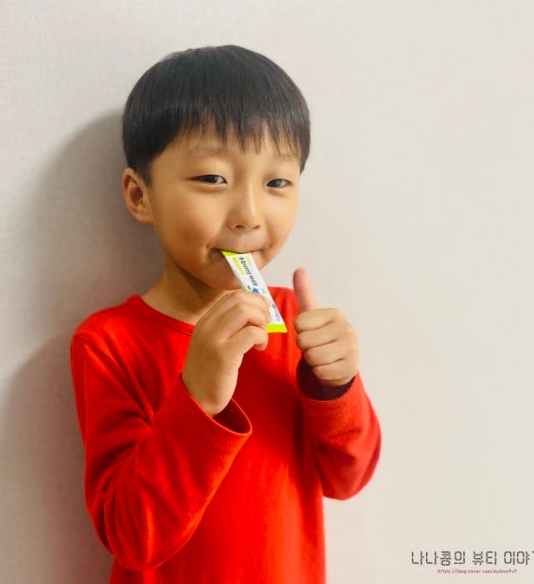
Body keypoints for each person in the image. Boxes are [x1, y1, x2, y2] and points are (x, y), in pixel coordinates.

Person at [70, 45, 381, 583]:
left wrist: (336, 386)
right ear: (140, 196)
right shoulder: (110, 342)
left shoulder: (291, 322)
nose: (249, 215)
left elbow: (347, 478)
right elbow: (133, 537)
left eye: (277, 182)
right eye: (213, 179)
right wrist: (198, 398)